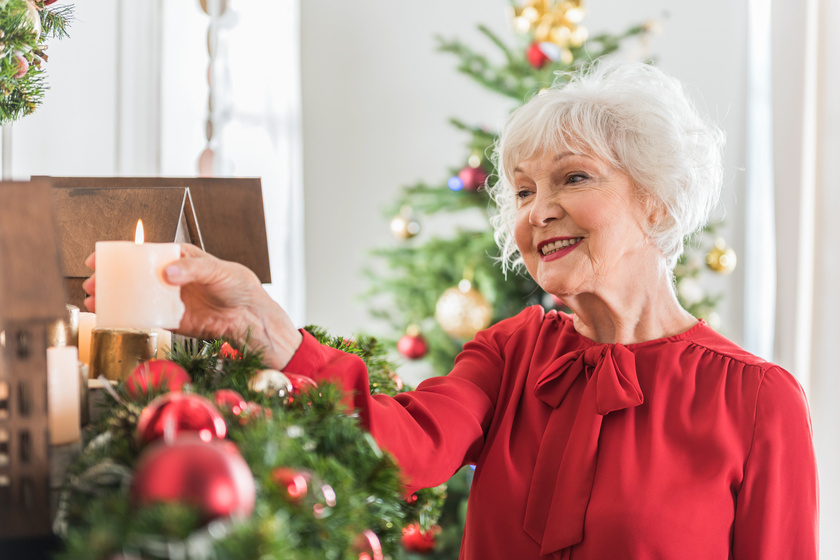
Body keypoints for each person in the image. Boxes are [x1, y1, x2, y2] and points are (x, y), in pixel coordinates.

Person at [84, 59, 818, 559]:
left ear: (655, 199)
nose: (541, 211)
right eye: (524, 191)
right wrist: (267, 330)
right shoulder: (512, 351)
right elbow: (408, 446)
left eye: (573, 178)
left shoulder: (756, 401)